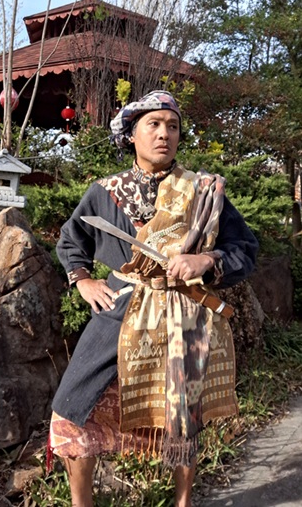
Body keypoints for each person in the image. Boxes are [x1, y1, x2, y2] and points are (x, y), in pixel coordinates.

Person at [48, 90, 259, 507]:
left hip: (183, 314)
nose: (165, 134)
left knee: (183, 417)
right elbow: (72, 239)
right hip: (121, 308)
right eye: (154, 124)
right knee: (70, 408)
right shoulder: (105, 192)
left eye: (173, 126)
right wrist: (83, 281)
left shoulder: (202, 192)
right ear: (131, 134)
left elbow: (245, 249)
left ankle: (183, 501)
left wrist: (206, 259)